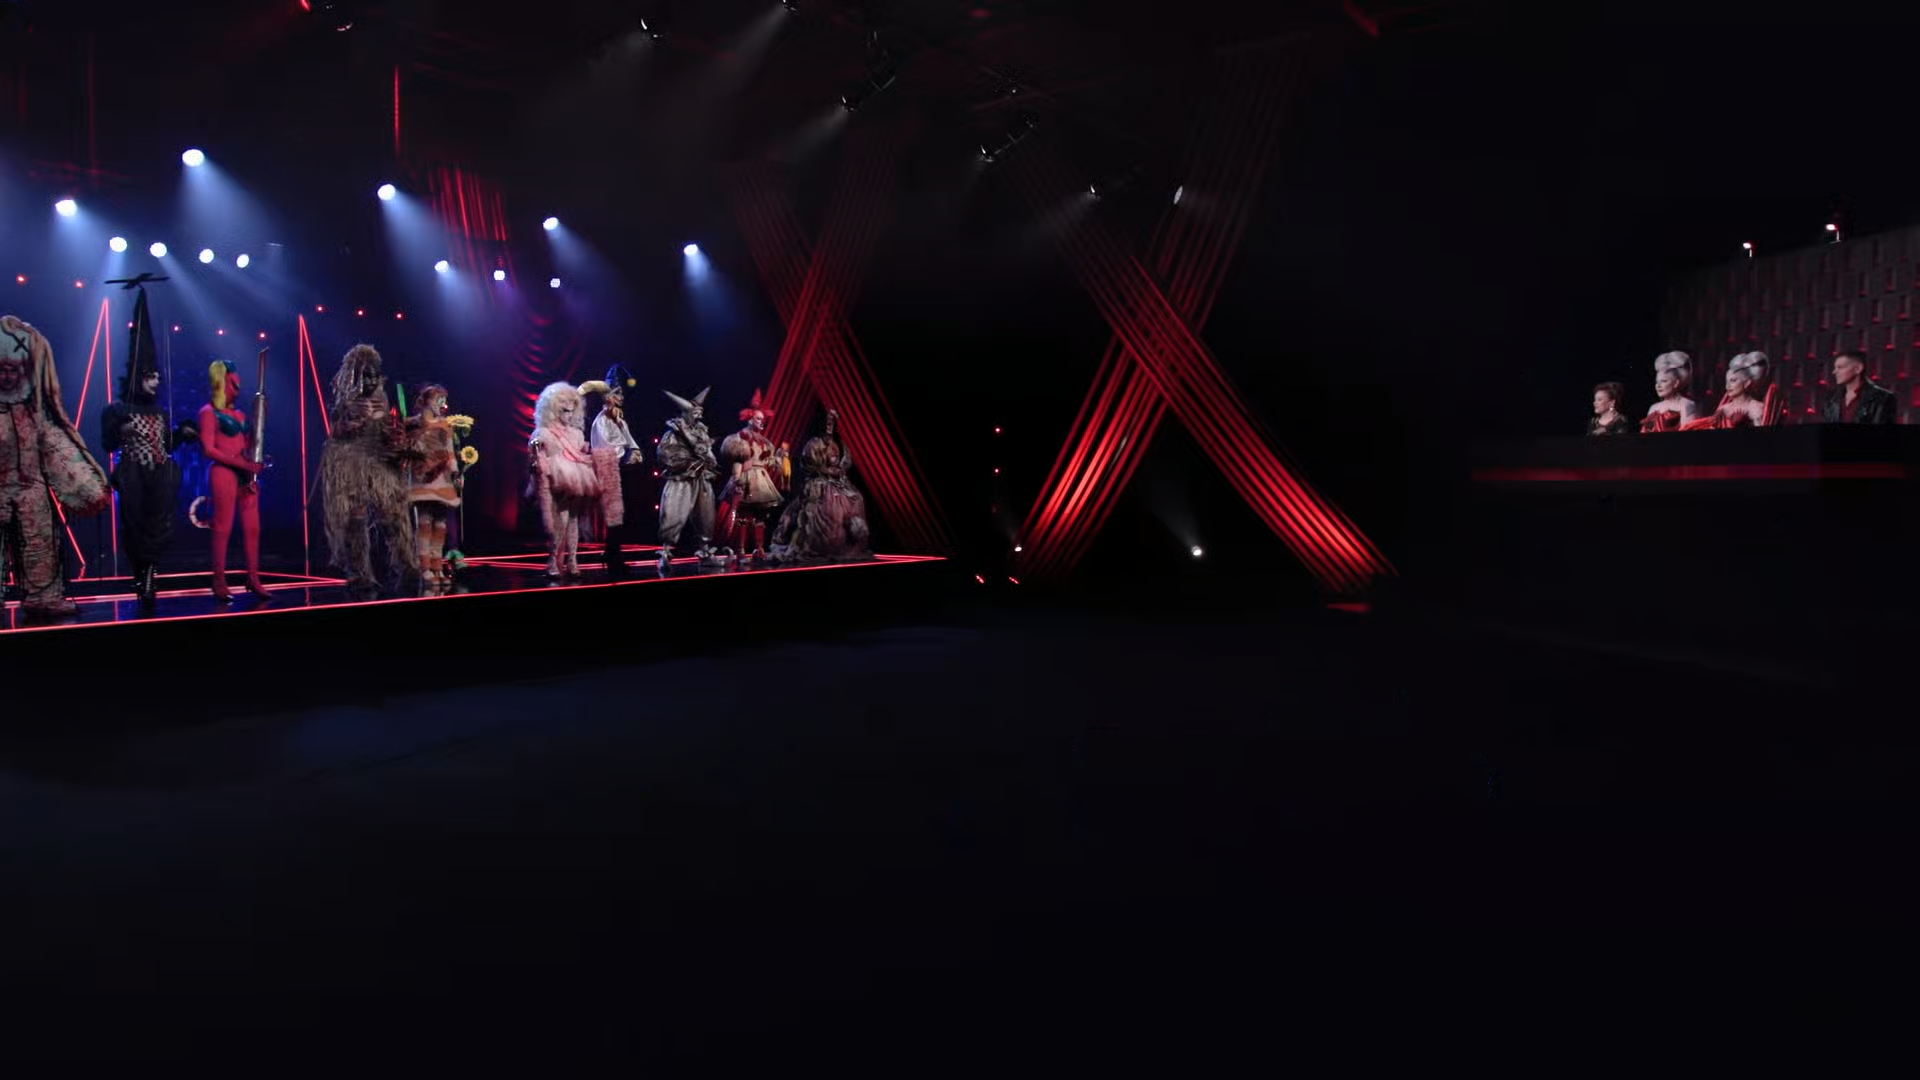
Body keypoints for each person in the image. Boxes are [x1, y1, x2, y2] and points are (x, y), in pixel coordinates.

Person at [0, 315, 111, 618]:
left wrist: (86, 486)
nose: (7, 376)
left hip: (31, 490)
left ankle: (43, 597)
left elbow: (54, 443)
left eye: (13, 369)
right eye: (2, 369)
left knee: (40, 542)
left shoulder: (34, 412)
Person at [99, 287, 192, 604]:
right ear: (138, 377)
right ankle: (140, 574)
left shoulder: (159, 412)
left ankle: (150, 575)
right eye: (150, 376)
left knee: (158, 525)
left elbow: (165, 445)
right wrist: (119, 429)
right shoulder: (118, 410)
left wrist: (182, 434)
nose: (156, 382)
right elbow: (108, 444)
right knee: (134, 526)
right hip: (133, 475)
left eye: (157, 377)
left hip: (160, 474)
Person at [321, 344, 417, 595]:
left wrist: (396, 438)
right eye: (366, 376)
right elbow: (334, 431)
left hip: (379, 460)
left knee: (392, 516)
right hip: (352, 461)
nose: (371, 381)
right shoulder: (345, 398)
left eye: (375, 375)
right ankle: (359, 572)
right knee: (357, 518)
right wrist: (348, 425)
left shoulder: (383, 397)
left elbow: (389, 429)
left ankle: (406, 565)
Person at [197, 361, 269, 602]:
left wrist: (261, 416)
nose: (237, 390)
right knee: (223, 527)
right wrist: (243, 465)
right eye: (233, 385)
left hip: (245, 474)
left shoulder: (239, 415)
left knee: (253, 528)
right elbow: (209, 449)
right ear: (221, 383)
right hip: (223, 473)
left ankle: (253, 578)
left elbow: (250, 444)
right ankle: (219, 580)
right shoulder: (208, 412)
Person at [770, 409, 872, 563]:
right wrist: (827, 471)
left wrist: (838, 471)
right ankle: (823, 543)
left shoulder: (838, 444)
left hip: (838, 481)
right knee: (828, 503)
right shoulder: (814, 444)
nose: (829, 427)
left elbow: (844, 463)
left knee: (856, 497)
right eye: (827, 423)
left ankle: (848, 541)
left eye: (831, 423)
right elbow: (810, 465)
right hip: (820, 480)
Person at [527, 380, 604, 580]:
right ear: (553, 410)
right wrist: (537, 453)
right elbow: (535, 459)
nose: (569, 415)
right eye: (565, 411)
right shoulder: (544, 432)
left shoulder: (577, 434)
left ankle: (572, 560)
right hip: (555, 482)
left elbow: (579, 455)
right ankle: (553, 560)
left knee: (573, 520)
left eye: (572, 411)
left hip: (576, 481)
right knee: (558, 522)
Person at [717, 388, 787, 566]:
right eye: (758, 419)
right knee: (743, 516)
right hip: (747, 477)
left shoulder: (764, 442)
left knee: (760, 516)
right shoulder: (741, 438)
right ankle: (740, 550)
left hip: (761, 479)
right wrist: (737, 479)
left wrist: (780, 457)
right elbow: (737, 459)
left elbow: (770, 461)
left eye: (763, 420)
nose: (762, 422)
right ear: (750, 418)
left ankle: (759, 549)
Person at [655, 386, 720, 575]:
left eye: (700, 413)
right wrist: (687, 461)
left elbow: (710, 458)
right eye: (695, 412)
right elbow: (664, 455)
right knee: (673, 513)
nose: (699, 416)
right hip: (681, 479)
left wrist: (704, 456)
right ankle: (666, 552)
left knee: (706, 515)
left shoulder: (702, 432)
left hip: (701, 478)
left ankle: (705, 551)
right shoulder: (673, 433)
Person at [589, 365, 645, 578]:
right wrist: (626, 453)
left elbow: (631, 443)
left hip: (624, 471)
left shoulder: (619, 420)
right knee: (613, 515)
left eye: (622, 393)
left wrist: (635, 452)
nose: (621, 397)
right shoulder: (601, 421)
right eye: (617, 393)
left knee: (622, 516)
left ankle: (613, 553)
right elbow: (604, 449)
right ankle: (612, 556)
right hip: (610, 471)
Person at [406, 384, 461, 589]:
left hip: (442, 479)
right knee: (425, 523)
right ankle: (425, 568)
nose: (441, 404)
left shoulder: (445, 424)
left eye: (443, 400)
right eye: (437, 399)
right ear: (427, 400)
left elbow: (450, 450)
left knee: (441, 525)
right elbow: (406, 450)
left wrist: (455, 473)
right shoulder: (412, 424)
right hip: (422, 478)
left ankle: (437, 567)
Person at [1683, 351, 1769, 430]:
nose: (1728, 386)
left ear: (1747, 383)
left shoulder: (1756, 408)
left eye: (1733, 381)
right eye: (1727, 382)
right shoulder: (1723, 409)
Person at [1820, 350, 1899, 424]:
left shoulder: (1882, 398)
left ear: (1858, 369)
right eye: (1835, 368)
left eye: (1840, 367)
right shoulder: (1831, 399)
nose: (1834, 372)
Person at [1641, 351, 1701, 432]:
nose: (1658, 386)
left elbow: (1687, 436)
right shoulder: (1653, 408)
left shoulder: (1687, 405)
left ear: (1676, 383)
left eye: (1664, 381)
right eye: (1657, 382)